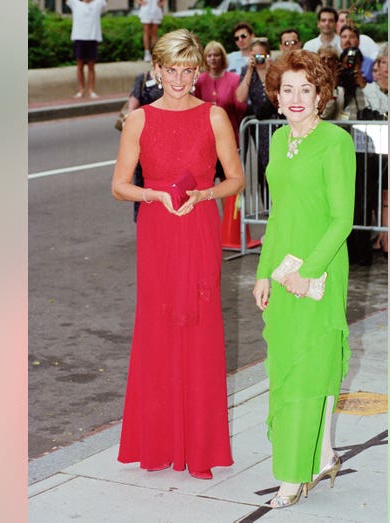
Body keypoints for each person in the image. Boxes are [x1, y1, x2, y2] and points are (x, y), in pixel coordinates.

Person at [112, 29, 245, 480]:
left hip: (199, 226)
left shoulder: (214, 117)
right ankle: (159, 442)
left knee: (200, 326)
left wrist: (205, 194)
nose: (180, 78)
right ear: (158, 69)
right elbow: (119, 185)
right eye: (172, 69)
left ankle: (199, 446)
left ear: (198, 72)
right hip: (157, 229)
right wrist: (153, 196)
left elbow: (236, 179)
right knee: (157, 325)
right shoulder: (140, 120)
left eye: (188, 70)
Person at [252, 50, 355, 508]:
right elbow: (278, 216)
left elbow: (342, 220)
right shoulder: (277, 141)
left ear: (321, 97)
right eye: (287, 89)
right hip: (282, 268)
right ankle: (324, 453)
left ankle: (294, 475)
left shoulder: (335, 142)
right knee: (287, 365)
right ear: (276, 96)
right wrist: (262, 273)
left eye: (305, 90)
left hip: (321, 269)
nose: (295, 98)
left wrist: (307, 272)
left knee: (310, 365)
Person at [195, 41, 247, 182]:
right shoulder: (200, 80)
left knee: (228, 181)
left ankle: (229, 206)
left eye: (216, 55)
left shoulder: (234, 79)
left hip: (229, 136)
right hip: (205, 140)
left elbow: (241, 108)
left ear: (222, 57)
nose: (212, 58)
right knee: (205, 182)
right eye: (209, 55)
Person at [236, 38, 278, 206]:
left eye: (260, 54)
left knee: (278, 165)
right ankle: (268, 206)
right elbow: (240, 97)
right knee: (263, 166)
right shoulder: (247, 71)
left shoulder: (275, 71)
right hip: (259, 125)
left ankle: (281, 203)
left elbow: (277, 96)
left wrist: (269, 71)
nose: (257, 58)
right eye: (254, 55)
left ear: (267, 54)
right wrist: (249, 71)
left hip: (277, 122)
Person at [126, 69, 164, 222]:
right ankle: (143, 219)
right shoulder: (142, 79)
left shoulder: (173, 77)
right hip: (145, 141)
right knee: (142, 182)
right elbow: (131, 110)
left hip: (166, 141)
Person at [362, 45, 388, 253]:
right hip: (373, 152)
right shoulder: (368, 91)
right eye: (384, 63)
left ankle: (386, 235)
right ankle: (378, 233)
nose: (388, 68)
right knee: (374, 194)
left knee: (389, 195)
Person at [67, 0, 106, 98]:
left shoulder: (98, 3)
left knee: (91, 66)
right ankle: (81, 90)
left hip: (92, 38)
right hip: (79, 38)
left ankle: (91, 90)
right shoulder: (75, 3)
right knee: (79, 66)